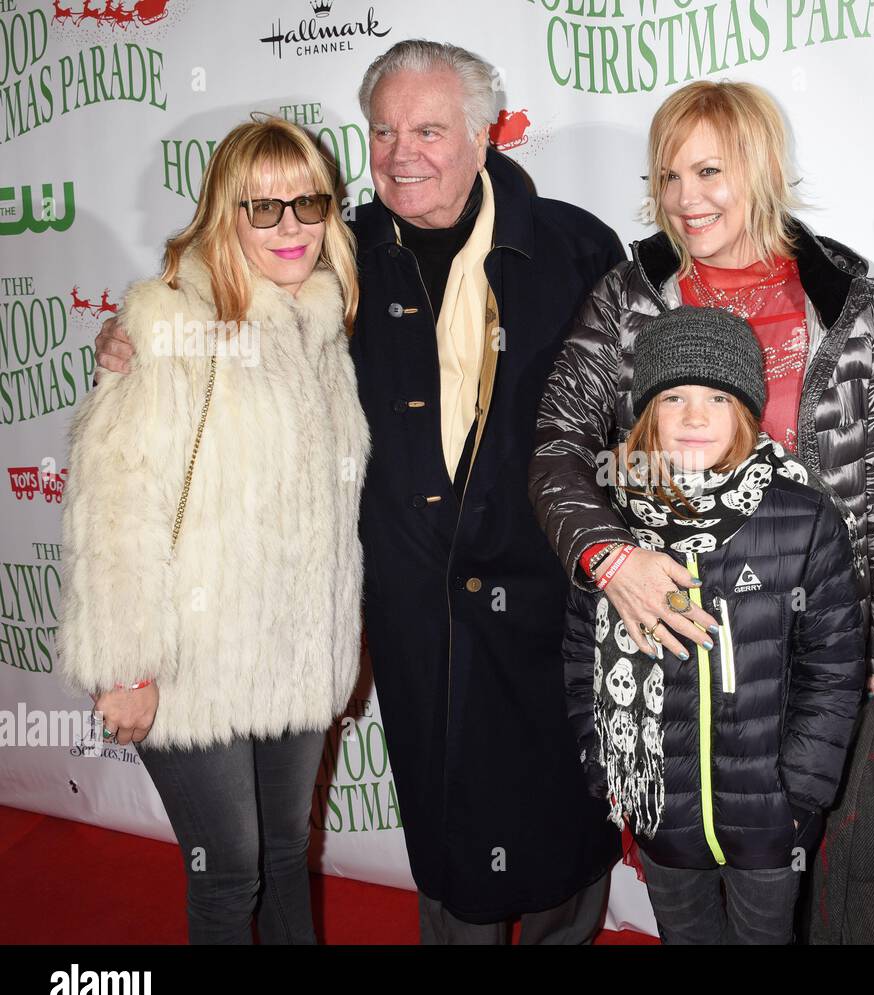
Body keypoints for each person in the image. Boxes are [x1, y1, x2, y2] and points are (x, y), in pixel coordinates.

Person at [93, 40, 626, 944]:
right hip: (414, 616)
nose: (402, 152)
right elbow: (223, 287)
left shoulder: (576, 245)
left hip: (546, 611)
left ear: (483, 132)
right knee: (447, 843)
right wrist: (130, 335)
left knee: (559, 837)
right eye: (383, 130)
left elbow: (621, 420)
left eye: (428, 129)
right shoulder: (344, 254)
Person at [529, 78, 874, 711]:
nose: (684, 200)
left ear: (762, 169)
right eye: (668, 177)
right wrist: (610, 559)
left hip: (819, 637)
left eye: (708, 172)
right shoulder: (626, 300)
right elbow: (559, 447)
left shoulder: (845, 302)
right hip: (672, 635)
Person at [59, 116, 369, 944]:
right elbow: (116, 496)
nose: (292, 228)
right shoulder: (167, 320)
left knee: (283, 850)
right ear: (220, 213)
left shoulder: (323, 327)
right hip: (189, 656)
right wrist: (123, 662)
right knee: (227, 869)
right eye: (262, 208)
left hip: (297, 651)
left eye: (309, 204)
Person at [564, 306, 865, 944]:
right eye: (673, 397)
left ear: (747, 411)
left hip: (769, 813)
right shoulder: (608, 527)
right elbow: (576, 656)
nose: (695, 417)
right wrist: (602, 761)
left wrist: (802, 792)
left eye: (717, 397)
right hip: (658, 805)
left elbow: (833, 667)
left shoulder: (802, 516)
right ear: (645, 414)